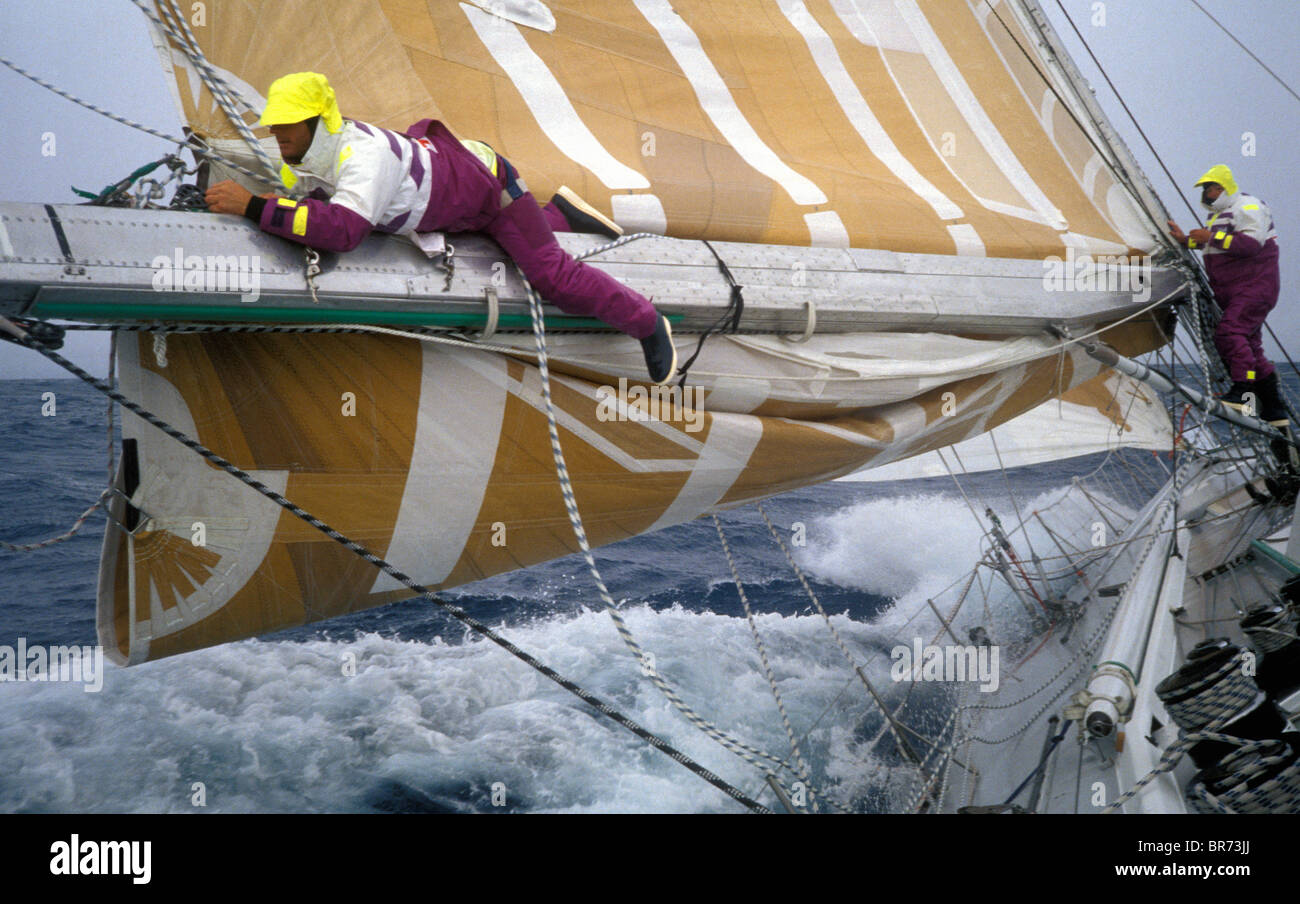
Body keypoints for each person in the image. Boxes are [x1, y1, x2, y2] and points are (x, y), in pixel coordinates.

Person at [204, 72, 676, 384]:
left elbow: (345, 231)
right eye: (273, 125)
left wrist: (253, 209)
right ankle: (558, 213)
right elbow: (326, 203)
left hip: (488, 185)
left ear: (317, 122)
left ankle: (647, 323)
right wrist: (278, 204)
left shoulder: (362, 157)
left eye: (287, 125)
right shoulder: (314, 154)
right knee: (492, 235)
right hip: (451, 199)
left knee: (552, 276)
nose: (276, 134)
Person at [1168, 164, 1285, 423]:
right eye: (1206, 189)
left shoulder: (1248, 206)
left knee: (1231, 333)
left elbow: (1251, 244)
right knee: (1251, 348)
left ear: (1225, 186)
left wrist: (1210, 236)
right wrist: (1185, 240)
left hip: (1253, 287)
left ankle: (1244, 392)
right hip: (1233, 291)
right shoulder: (1220, 215)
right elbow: (1217, 245)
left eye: (1213, 187)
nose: (1208, 193)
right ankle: (1275, 411)